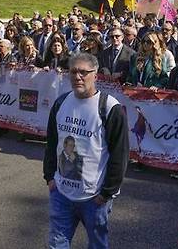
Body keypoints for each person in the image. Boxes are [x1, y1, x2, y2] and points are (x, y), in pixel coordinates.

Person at [43, 53, 129, 249]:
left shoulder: (109, 108)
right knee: (57, 245)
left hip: (94, 198)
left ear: (95, 75)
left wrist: (106, 193)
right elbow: (52, 143)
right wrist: (49, 177)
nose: (78, 76)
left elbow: (120, 154)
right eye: (73, 72)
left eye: (83, 72)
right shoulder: (61, 103)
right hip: (62, 194)